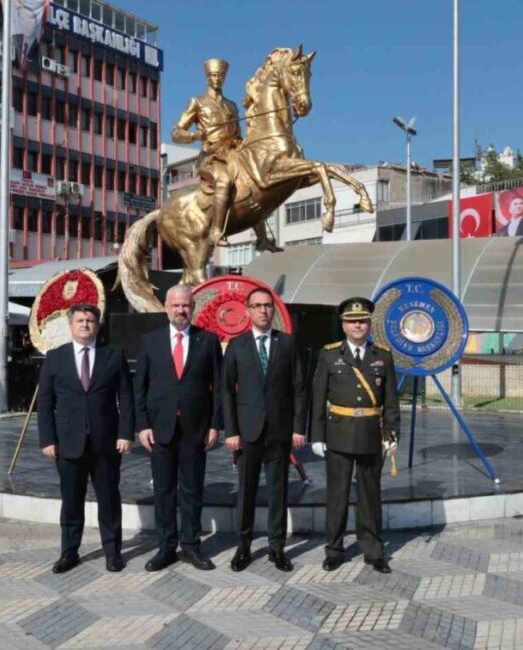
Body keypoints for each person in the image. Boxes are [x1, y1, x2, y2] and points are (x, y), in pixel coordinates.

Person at [37, 304, 134, 574]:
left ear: (97, 324)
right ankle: (69, 552)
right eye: (80, 320)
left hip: (106, 442)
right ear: (71, 325)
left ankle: (113, 552)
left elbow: (126, 396)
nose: (85, 324)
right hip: (68, 443)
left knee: (109, 499)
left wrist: (126, 433)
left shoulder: (113, 355)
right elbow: (45, 403)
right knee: (71, 500)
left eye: (90, 320)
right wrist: (47, 439)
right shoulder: (55, 358)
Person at [134, 285, 223, 572]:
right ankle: (166, 547)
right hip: (160, 430)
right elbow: (140, 388)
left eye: (185, 306)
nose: (180, 310)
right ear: (166, 307)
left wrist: (215, 425)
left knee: (192, 489)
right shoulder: (150, 342)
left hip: (196, 429)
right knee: (164, 490)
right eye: (175, 305)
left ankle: (191, 546)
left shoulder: (207, 341)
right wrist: (142, 425)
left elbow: (219, 388)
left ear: (192, 307)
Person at [310, 298, 400, 574]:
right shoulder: (329, 354)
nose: (357, 325)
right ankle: (334, 550)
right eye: (351, 321)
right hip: (338, 434)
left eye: (361, 321)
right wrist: (317, 435)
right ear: (344, 325)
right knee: (337, 495)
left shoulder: (382, 355)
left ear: (369, 324)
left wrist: (391, 433)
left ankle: (373, 551)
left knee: (370, 496)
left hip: (371, 435)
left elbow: (391, 400)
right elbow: (318, 397)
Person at [222, 287, 307, 573]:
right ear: (247, 310)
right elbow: (226, 391)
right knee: (245, 493)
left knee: (277, 492)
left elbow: (299, 388)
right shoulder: (237, 346)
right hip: (247, 433)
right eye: (257, 305)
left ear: (273, 310)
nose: (262, 310)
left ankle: (277, 548)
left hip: (280, 433)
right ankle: (243, 548)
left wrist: (298, 427)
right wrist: (230, 431)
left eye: (267, 306)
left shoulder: (288, 344)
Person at [172, 58, 242, 246]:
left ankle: (262, 237)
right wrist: (194, 136)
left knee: (254, 180)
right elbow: (176, 133)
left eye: (220, 75)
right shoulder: (197, 102)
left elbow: (239, 134)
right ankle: (217, 231)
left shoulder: (232, 106)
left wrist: (239, 142)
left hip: (232, 155)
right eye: (213, 75)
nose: (217, 79)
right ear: (207, 78)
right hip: (211, 158)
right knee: (225, 181)